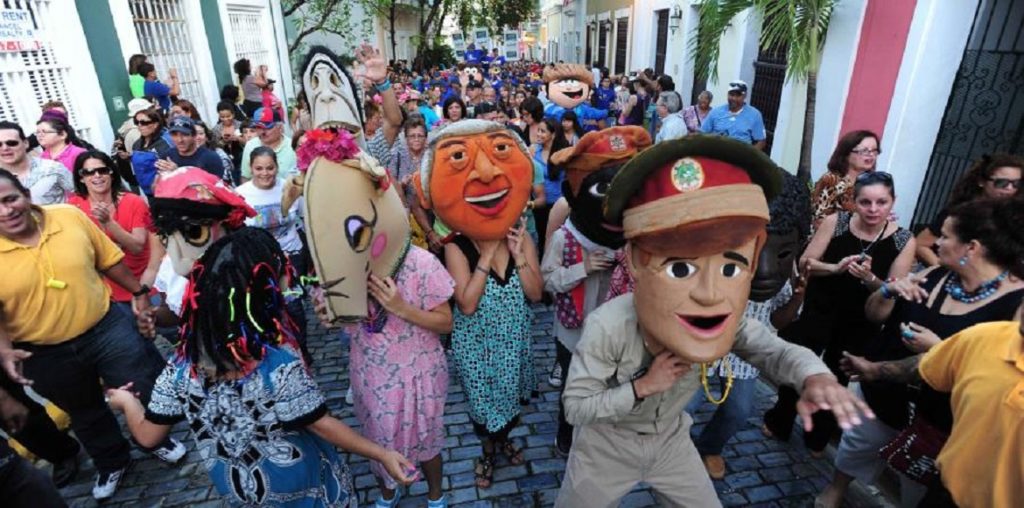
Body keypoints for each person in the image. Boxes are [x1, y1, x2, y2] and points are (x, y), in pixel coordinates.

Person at [555, 136, 873, 507]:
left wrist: (814, 376)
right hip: (606, 446)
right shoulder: (609, 325)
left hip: (670, 441)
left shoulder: (721, 319)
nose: (708, 295)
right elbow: (576, 407)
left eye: (728, 268)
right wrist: (642, 387)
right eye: (680, 268)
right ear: (638, 261)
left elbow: (774, 350)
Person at [107, 227, 416, 506]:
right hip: (305, 488)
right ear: (265, 292)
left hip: (244, 494)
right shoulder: (277, 364)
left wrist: (127, 402)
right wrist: (382, 454)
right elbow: (320, 424)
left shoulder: (180, 366)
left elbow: (148, 436)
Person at [823, 197, 1024, 508]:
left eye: (945, 236)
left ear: (971, 248)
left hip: (940, 420)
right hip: (882, 393)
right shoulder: (933, 275)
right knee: (856, 447)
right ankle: (835, 492)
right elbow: (874, 315)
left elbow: (997, 373)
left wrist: (938, 349)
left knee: (916, 488)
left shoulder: (1016, 305)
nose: (935, 243)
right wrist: (888, 290)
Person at [0, 170, 186, 501]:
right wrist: (4, 349)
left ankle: (154, 437)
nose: (6, 211)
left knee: (142, 381)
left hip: (106, 326)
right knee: (84, 410)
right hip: (42, 352)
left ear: (25, 195)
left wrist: (139, 292)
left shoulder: (68, 216)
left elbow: (108, 260)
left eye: (10, 199)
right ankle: (112, 460)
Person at [416, 120, 543, 489]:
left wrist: (519, 255)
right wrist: (486, 256)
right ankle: (488, 452)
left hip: (513, 342)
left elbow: (536, 294)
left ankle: (504, 442)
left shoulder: (521, 237)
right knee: (485, 408)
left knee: (510, 402)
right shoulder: (457, 247)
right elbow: (467, 305)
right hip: (478, 349)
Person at [762, 171, 915, 455]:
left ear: (893, 202)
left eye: (881, 202)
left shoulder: (903, 240)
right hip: (820, 306)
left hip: (860, 319)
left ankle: (818, 435)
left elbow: (894, 289)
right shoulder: (837, 222)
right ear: (854, 201)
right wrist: (835, 268)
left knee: (838, 376)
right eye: (865, 202)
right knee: (800, 364)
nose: (873, 209)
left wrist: (870, 278)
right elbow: (806, 262)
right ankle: (780, 419)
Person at [684, 169, 810, 480]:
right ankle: (672, 447)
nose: (765, 270)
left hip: (744, 359)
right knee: (683, 405)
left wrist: (797, 297)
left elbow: (778, 320)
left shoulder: (785, 278)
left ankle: (710, 447)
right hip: (702, 349)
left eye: (782, 253)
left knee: (738, 411)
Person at [542, 126, 652, 455]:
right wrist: (583, 268)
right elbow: (548, 280)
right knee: (572, 386)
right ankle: (566, 433)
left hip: (618, 336)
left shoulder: (636, 243)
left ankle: (600, 439)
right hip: (574, 334)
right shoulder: (565, 238)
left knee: (609, 386)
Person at [235, 147, 309, 354]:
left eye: (270, 168)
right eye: (259, 168)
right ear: (250, 168)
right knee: (268, 310)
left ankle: (302, 351)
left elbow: (305, 219)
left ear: (277, 166)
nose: (265, 173)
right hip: (260, 263)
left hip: (292, 256)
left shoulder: (290, 187)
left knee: (294, 307)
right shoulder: (240, 194)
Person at [68, 151, 155, 311]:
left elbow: (137, 247)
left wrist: (109, 223)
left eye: (102, 170)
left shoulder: (133, 202)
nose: (97, 176)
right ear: (81, 178)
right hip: (104, 294)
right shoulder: (74, 207)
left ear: (111, 173)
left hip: (142, 285)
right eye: (89, 172)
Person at [915, 153, 1021, 266]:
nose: (1010, 188)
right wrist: (942, 270)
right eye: (1001, 183)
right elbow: (921, 244)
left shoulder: (1015, 216)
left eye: (1016, 183)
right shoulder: (960, 211)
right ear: (981, 181)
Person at [811, 129, 881, 229]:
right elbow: (818, 221)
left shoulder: (873, 183)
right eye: (864, 151)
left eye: (874, 150)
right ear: (846, 154)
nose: (871, 155)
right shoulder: (831, 180)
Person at [0, 121, 73, 205]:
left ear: (25, 143)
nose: (5, 148)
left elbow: (80, 194)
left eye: (12, 143)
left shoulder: (53, 169)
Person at [531, 118, 568, 256]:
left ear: (553, 134)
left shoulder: (564, 153)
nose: (538, 134)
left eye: (543, 131)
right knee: (542, 240)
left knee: (558, 242)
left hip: (559, 206)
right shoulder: (533, 151)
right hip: (540, 205)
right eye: (538, 130)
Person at [701, 80, 766, 150]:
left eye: (738, 95)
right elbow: (702, 133)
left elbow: (761, 142)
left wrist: (748, 155)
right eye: (731, 95)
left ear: (745, 96)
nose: (734, 98)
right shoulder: (715, 112)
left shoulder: (755, 115)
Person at [240, 108, 298, 182]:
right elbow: (246, 177)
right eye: (258, 127)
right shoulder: (250, 146)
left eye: (267, 127)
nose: (262, 132)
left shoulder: (293, 146)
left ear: (280, 127)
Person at [160, 116, 225, 178]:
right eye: (175, 135)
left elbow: (216, 184)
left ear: (194, 135)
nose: (180, 140)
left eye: (185, 135)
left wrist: (178, 173)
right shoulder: (167, 156)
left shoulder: (211, 158)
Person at [128, 107, 173, 197]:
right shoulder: (136, 144)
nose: (139, 125)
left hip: (167, 191)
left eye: (144, 122)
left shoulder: (165, 142)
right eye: (137, 122)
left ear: (155, 124)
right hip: (147, 192)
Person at [212, 100, 245, 177]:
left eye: (228, 116)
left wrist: (237, 138)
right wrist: (223, 141)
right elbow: (214, 147)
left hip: (241, 160)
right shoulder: (216, 129)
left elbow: (248, 142)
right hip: (226, 162)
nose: (226, 119)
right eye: (222, 117)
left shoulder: (240, 125)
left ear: (233, 114)